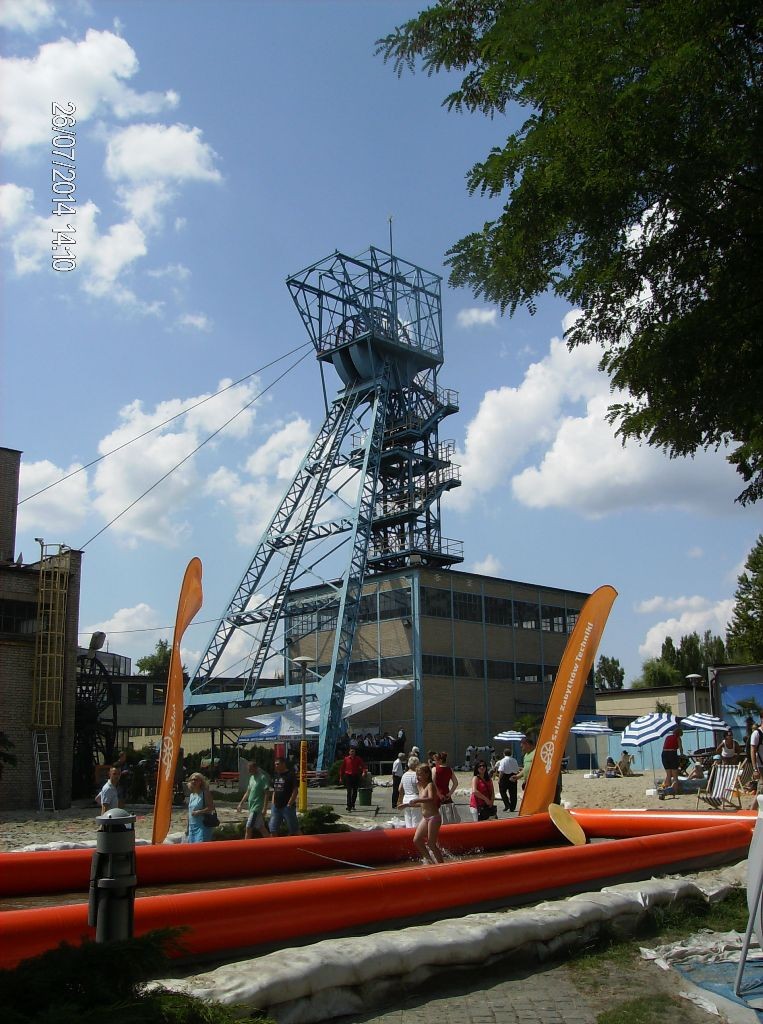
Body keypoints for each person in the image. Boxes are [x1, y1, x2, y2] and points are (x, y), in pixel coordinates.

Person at [407, 764, 444, 864]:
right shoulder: (420, 786)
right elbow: (422, 804)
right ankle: (430, 862)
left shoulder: (430, 785)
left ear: (427, 774)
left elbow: (431, 799)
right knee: (417, 840)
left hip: (434, 817)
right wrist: (407, 805)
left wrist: (417, 799)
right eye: (417, 774)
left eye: (420, 774)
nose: (417, 777)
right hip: (426, 817)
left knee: (431, 844)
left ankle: (442, 865)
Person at [236, 760, 272, 839]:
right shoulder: (251, 778)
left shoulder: (262, 777)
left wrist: (265, 808)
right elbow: (248, 792)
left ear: (256, 768)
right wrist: (241, 803)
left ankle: (246, 846)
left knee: (248, 827)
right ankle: (271, 843)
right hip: (251, 807)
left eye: (250, 769)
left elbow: (267, 793)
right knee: (261, 828)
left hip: (257, 807)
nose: (249, 771)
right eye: (248, 769)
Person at [269, 757, 300, 835]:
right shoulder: (276, 775)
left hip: (287, 807)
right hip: (276, 806)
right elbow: (275, 790)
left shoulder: (290, 775)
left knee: (294, 830)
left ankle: (303, 844)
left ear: (283, 764)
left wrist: (289, 804)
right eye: (275, 764)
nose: (276, 766)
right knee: (273, 829)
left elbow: (295, 790)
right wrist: (273, 803)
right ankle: (275, 845)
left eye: (278, 764)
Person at [186, 772, 216, 843]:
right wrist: (187, 827)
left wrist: (199, 812)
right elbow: (190, 812)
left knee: (201, 848)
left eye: (196, 780)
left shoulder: (205, 793)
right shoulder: (192, 795)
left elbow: (211, 807)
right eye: (192, 780)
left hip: (203, 825)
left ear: (201, 782)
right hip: (192, 827)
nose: (194, 781)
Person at [433, 751, 460, 823]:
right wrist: (450, 793)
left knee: (436, 819)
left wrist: (438, 794)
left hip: (437, 795)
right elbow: (455, 783)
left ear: (440, 760)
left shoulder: (435, 769)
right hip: (446, 794)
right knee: (447, 817)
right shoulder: (449, 769)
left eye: (435, 760)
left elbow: (433, 783)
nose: (434, 762)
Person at [397, 755, 423, 828]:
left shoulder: (404, 775)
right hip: (415, 798)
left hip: (406, 799)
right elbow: (420, 789)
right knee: (416, 823)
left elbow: (400, 789)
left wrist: (399, 800)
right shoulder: (416, 775)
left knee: (408, 822)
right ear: (416, 764)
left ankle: (408, 837)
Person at [659, 726, 683, 798]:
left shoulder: (668, 737)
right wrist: (682, 754)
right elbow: (680, 748)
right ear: (680, 733)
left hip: (664, 754)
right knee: (675, 775)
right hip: (672, 754)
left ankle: (666, 789)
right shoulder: (678, 738)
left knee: (668, 775)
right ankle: (675, 791)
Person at [496, 747, 520, 812]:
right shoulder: (514, 760)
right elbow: (517, 770)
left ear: (504, 754)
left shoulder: (503, 760)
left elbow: (501, 771)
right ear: (511, 754)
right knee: (513, 793)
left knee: (502, 791)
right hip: (513, 775)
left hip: (505, 777)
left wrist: (499, 779)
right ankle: (512, 807)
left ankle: (507, 804)